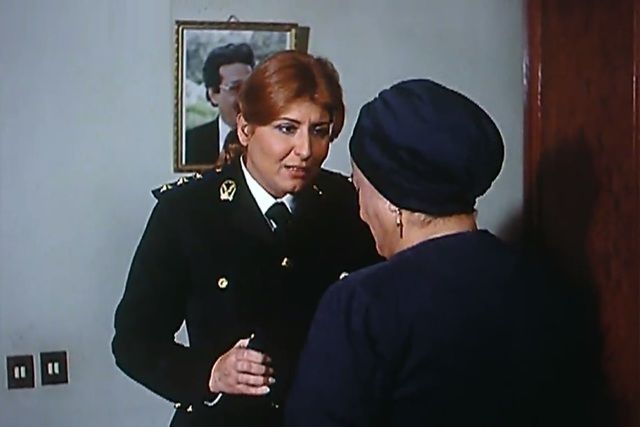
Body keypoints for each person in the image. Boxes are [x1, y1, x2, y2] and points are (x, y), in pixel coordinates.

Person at [286, 79, 596, 426]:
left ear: (391, 200)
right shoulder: (545, 283)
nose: (360, 211)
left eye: (358, 187)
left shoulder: (362, 305)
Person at [112, 50, 380, 427]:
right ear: (245, 129)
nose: (305, 150)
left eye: (319, 131)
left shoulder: (347, 203)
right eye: (286, 128)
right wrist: (210, 373)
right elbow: (134, 341)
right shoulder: (187, 212)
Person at [185, 43, 254, 165]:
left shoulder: (270, 138)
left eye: (251, 86)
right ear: (213, 94)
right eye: (235, 88)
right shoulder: (191, 142)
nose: (246, 96)